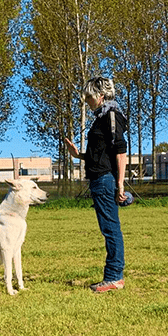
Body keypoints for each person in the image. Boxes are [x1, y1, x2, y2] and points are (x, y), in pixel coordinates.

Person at [64, 77, 128, 293]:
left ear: (101, 96)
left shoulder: (111, 116)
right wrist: (79, 155)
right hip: (99, 178)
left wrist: (120, 185)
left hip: (105, 180)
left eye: (89, 96)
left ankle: (114, 277)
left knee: (111, 229)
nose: (87, 100)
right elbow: (100, 155)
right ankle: (113, 276)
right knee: (108, 228)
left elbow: (120, 152)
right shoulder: (101, 118)